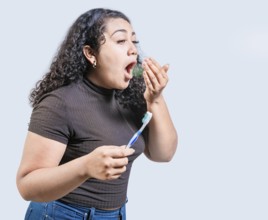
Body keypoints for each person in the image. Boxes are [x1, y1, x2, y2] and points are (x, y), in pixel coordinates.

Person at [16, 8, 178, 220]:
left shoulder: (132, 96)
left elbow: (163, 154)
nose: (133, 50)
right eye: (121, 41)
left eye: (134, 42)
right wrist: (85, 167)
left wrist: (155, 99)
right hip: (59, 215)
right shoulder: (59, 103)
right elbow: (27, 186)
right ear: (91, 54)